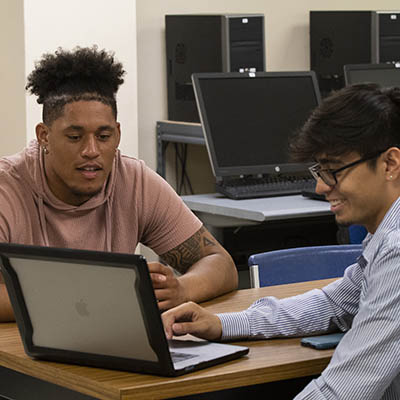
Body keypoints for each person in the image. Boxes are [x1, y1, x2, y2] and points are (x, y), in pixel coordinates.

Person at [162, 83, 400, 399]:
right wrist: (222, 324)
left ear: (390, 164)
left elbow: (342, 389)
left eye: (332, 171)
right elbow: (332, 305)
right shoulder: (383, 240)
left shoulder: (396, 250)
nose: (320, 187)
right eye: (320, 170)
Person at [0, 46, 238, 322]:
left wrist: (181, 289)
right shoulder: (8, 188)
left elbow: (221, 264)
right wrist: (92, 297)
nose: (91, 150)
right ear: (44, 137)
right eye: (75, 137)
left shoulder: (134, 182)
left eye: (103, 136)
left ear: (118, 134)